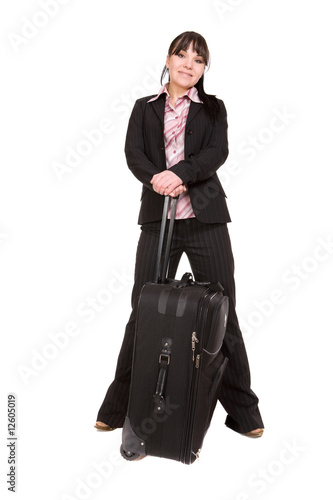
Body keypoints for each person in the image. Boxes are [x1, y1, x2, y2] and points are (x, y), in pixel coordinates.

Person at [95, 31, 264, 440]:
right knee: (144, 309)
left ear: (205, 69)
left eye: (199, 60)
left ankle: (244, 412)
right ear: (168, 60)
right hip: (159, 220)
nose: (190, 64)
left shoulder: (213, 109)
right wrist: (157, 179)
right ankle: (118, 408)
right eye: (182, 55)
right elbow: (134, 154)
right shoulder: (143, 108)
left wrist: (180, 174)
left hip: (206, 220)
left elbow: (215, 153)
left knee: (225, 314)